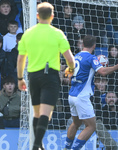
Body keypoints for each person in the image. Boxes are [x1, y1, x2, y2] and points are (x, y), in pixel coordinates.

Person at [17, 2, 75, 150]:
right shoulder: (57, 33)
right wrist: (70, 69)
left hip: (33, 77)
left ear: (37, 16)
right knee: (45, 114)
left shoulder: (28, 33)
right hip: (50, 77)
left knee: (37, 113)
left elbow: (21, 59)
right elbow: (69, 58)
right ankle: (36, 146)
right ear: (52, 16)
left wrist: (20, 78)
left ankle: (38, 144)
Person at [63, 35, 118, 150]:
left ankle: (66, 148)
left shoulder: (75, 57)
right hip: (82, 96)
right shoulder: (91, 58)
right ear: (94, 46)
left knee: (76, 123)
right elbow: (103, 72)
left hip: (72, 95)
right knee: (91, 126)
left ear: (83, 44)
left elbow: (68, 77)